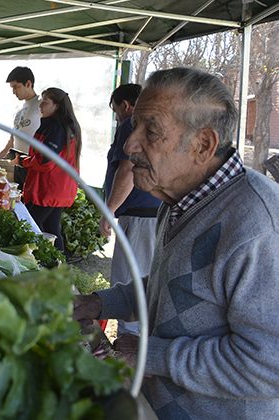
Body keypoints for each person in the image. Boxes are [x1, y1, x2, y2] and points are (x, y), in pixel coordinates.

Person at [75, 67, 279, 418]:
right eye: (134, 124)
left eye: (150, 131)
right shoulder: (181, 199)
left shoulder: (258, 225)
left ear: (203, 144)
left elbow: (268, 365)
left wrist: (151, 355)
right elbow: (177, 287)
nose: (130, 144)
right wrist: (98, 303)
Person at [99, 84, 162, 336]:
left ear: (125, 105)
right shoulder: (148, 127)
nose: (117, 116)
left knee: (129, 281)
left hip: (139, 217)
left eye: (115, 110)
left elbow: (126, 171)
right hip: (147, 216)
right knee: (141, 279)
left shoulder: (131, 124)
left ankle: (131, 348)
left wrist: (109, 209)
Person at [17, 87, 81, 253]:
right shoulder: (56, 126)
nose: (41, 105)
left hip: (50, 189)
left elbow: (46, 161)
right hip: (54, 188)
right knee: (51, 228)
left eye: (45, 102)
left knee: (30, 225)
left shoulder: (57, 128)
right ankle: (60, 270)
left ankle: (48, 267)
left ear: (57, 106)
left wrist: (24, 162)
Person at [0, 66, 41, 186]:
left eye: (16, 87)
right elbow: (13, 138)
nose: (13, 92)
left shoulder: (41, 104)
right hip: (19, 163)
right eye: (12, 88)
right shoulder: (20, 109)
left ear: (28, 84)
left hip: (33, 164)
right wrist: (0, 156)